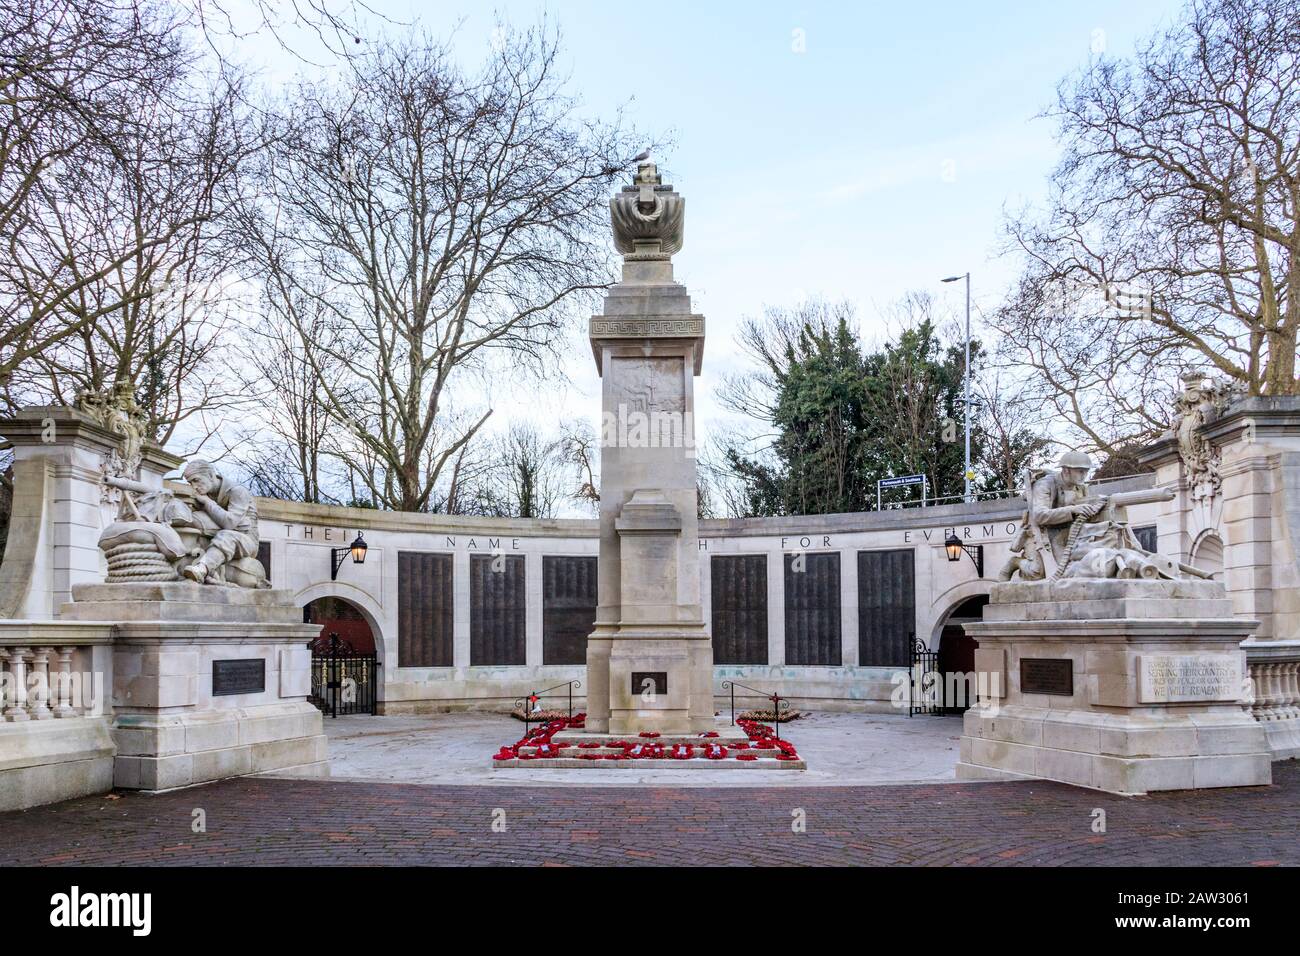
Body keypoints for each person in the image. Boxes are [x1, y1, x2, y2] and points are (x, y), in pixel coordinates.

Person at [179, 460, 268, 587]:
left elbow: (229, 523)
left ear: (210, 475)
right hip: (220, 534)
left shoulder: (237, 491)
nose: (194, 487)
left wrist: (208, 502)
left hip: (246, 541)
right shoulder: (206, 493)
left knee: (227, 535)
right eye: (190, 482)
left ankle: (202, 569)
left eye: (196, 480)